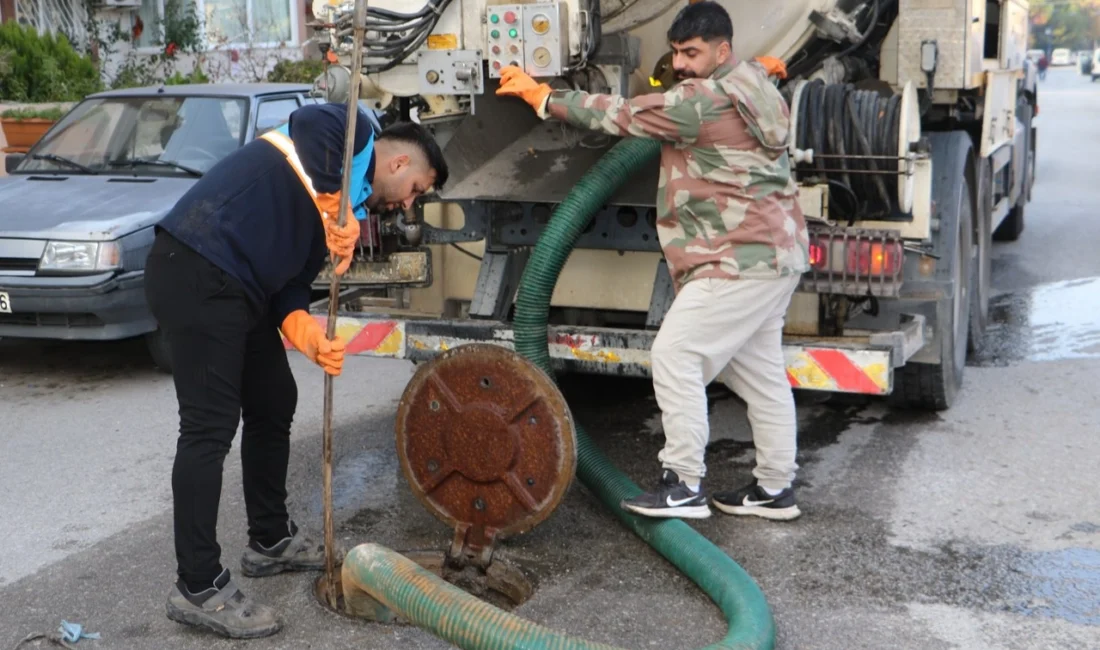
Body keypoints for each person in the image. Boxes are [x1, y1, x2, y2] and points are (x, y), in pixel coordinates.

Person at [144, 100, 448, 639]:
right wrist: (337, 204)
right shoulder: (355, 133)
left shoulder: (341, 198)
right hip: (197, 264)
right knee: (209, 428)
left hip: (241, 288)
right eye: (417, 190)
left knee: (274, 400)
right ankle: (198, 586)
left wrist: (302, 328)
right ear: (399, 165)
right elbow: (312, 123)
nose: (407, 206)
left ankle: (269, 539)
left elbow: (291, 281)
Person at [496, 1, 808, 522]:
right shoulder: (752, 81)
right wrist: (759, 67)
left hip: (736, 259)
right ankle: (775, 489)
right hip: (776, 255)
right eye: (677, 53)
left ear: (722, 50)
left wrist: (544, 96)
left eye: (692, 53)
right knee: (760, 376)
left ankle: (683, 484)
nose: (681, 64)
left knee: (675, 356)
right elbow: (753, 73)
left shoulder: (699, 102)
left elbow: (619, 114)